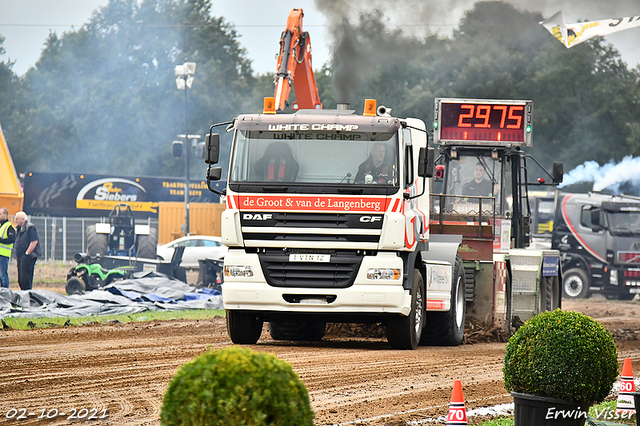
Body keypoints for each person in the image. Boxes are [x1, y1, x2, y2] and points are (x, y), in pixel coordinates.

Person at [14, 211, 41, 291]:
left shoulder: (30, 228)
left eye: (17, 219)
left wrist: (27, 253)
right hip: (20, 256)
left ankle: (28, 294)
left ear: (22, 219)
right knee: (21, 278)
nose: (16, 221)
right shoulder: (19, 228)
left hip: (28, 256)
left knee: (26, 277)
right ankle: (23, 293)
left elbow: (34, 241)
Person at [0, 207, 16, 289]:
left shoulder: (9, 227)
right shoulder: (1, 226)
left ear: (6, 215)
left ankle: (5, 292)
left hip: (3, 255)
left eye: (0, 214)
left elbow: (12, 239)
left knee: (3, 275)